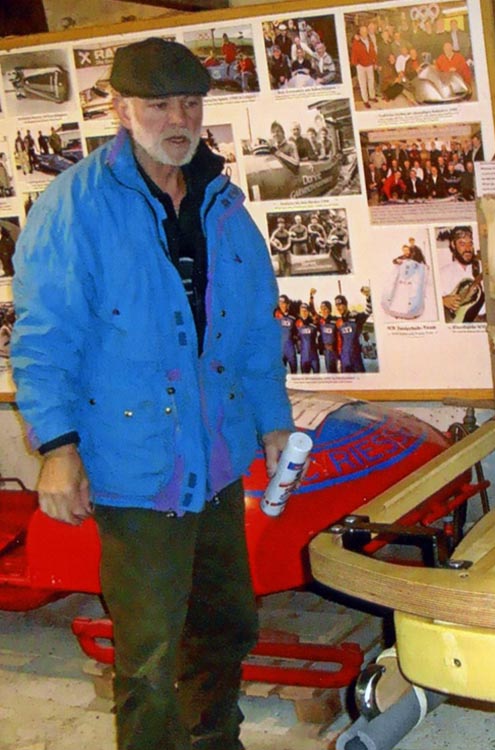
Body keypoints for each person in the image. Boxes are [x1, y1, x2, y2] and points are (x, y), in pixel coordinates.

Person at [9, 38, 294, 750]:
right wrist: (58, 449)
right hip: (136, 464)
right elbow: (44, 338)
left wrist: (274, 423)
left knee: (226, 623)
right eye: (159, 104)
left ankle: (214, 740)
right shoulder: (74, 207)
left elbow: (255, 330)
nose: (179, 119)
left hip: (217, 457)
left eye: (190, 104)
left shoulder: (223, 204)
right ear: (120, 108)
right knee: (149, 652)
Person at [439, 225, 484, 323]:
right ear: (453, 245)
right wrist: (442, 300)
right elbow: (429, 301)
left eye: (470, 243)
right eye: (462, 244)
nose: (468, 249)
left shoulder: (484, 267)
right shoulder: (443, 273)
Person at [334, 288, 372, 373]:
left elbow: (368, 311)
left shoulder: (356, 317)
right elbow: (339, 342)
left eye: (340, 305)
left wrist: (368, 296)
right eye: (337, 305)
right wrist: (339, 359)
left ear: (345, 304)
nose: (338, 307)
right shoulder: (338, 322)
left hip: (356, 358)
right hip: (344, 359)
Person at [350, 25, 378, 109]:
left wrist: (375, 63)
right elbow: (353, 53)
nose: (364, 33)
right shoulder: (356, 42)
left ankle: (372, 96)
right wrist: (356, 64)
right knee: (363, 83)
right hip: (360, 66)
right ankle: (365, 100)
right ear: (360, 32)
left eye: (365, 31)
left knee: (371, 81)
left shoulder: (370, 41)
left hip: (369, 64)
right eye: (362, 31)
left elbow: (373, 52)